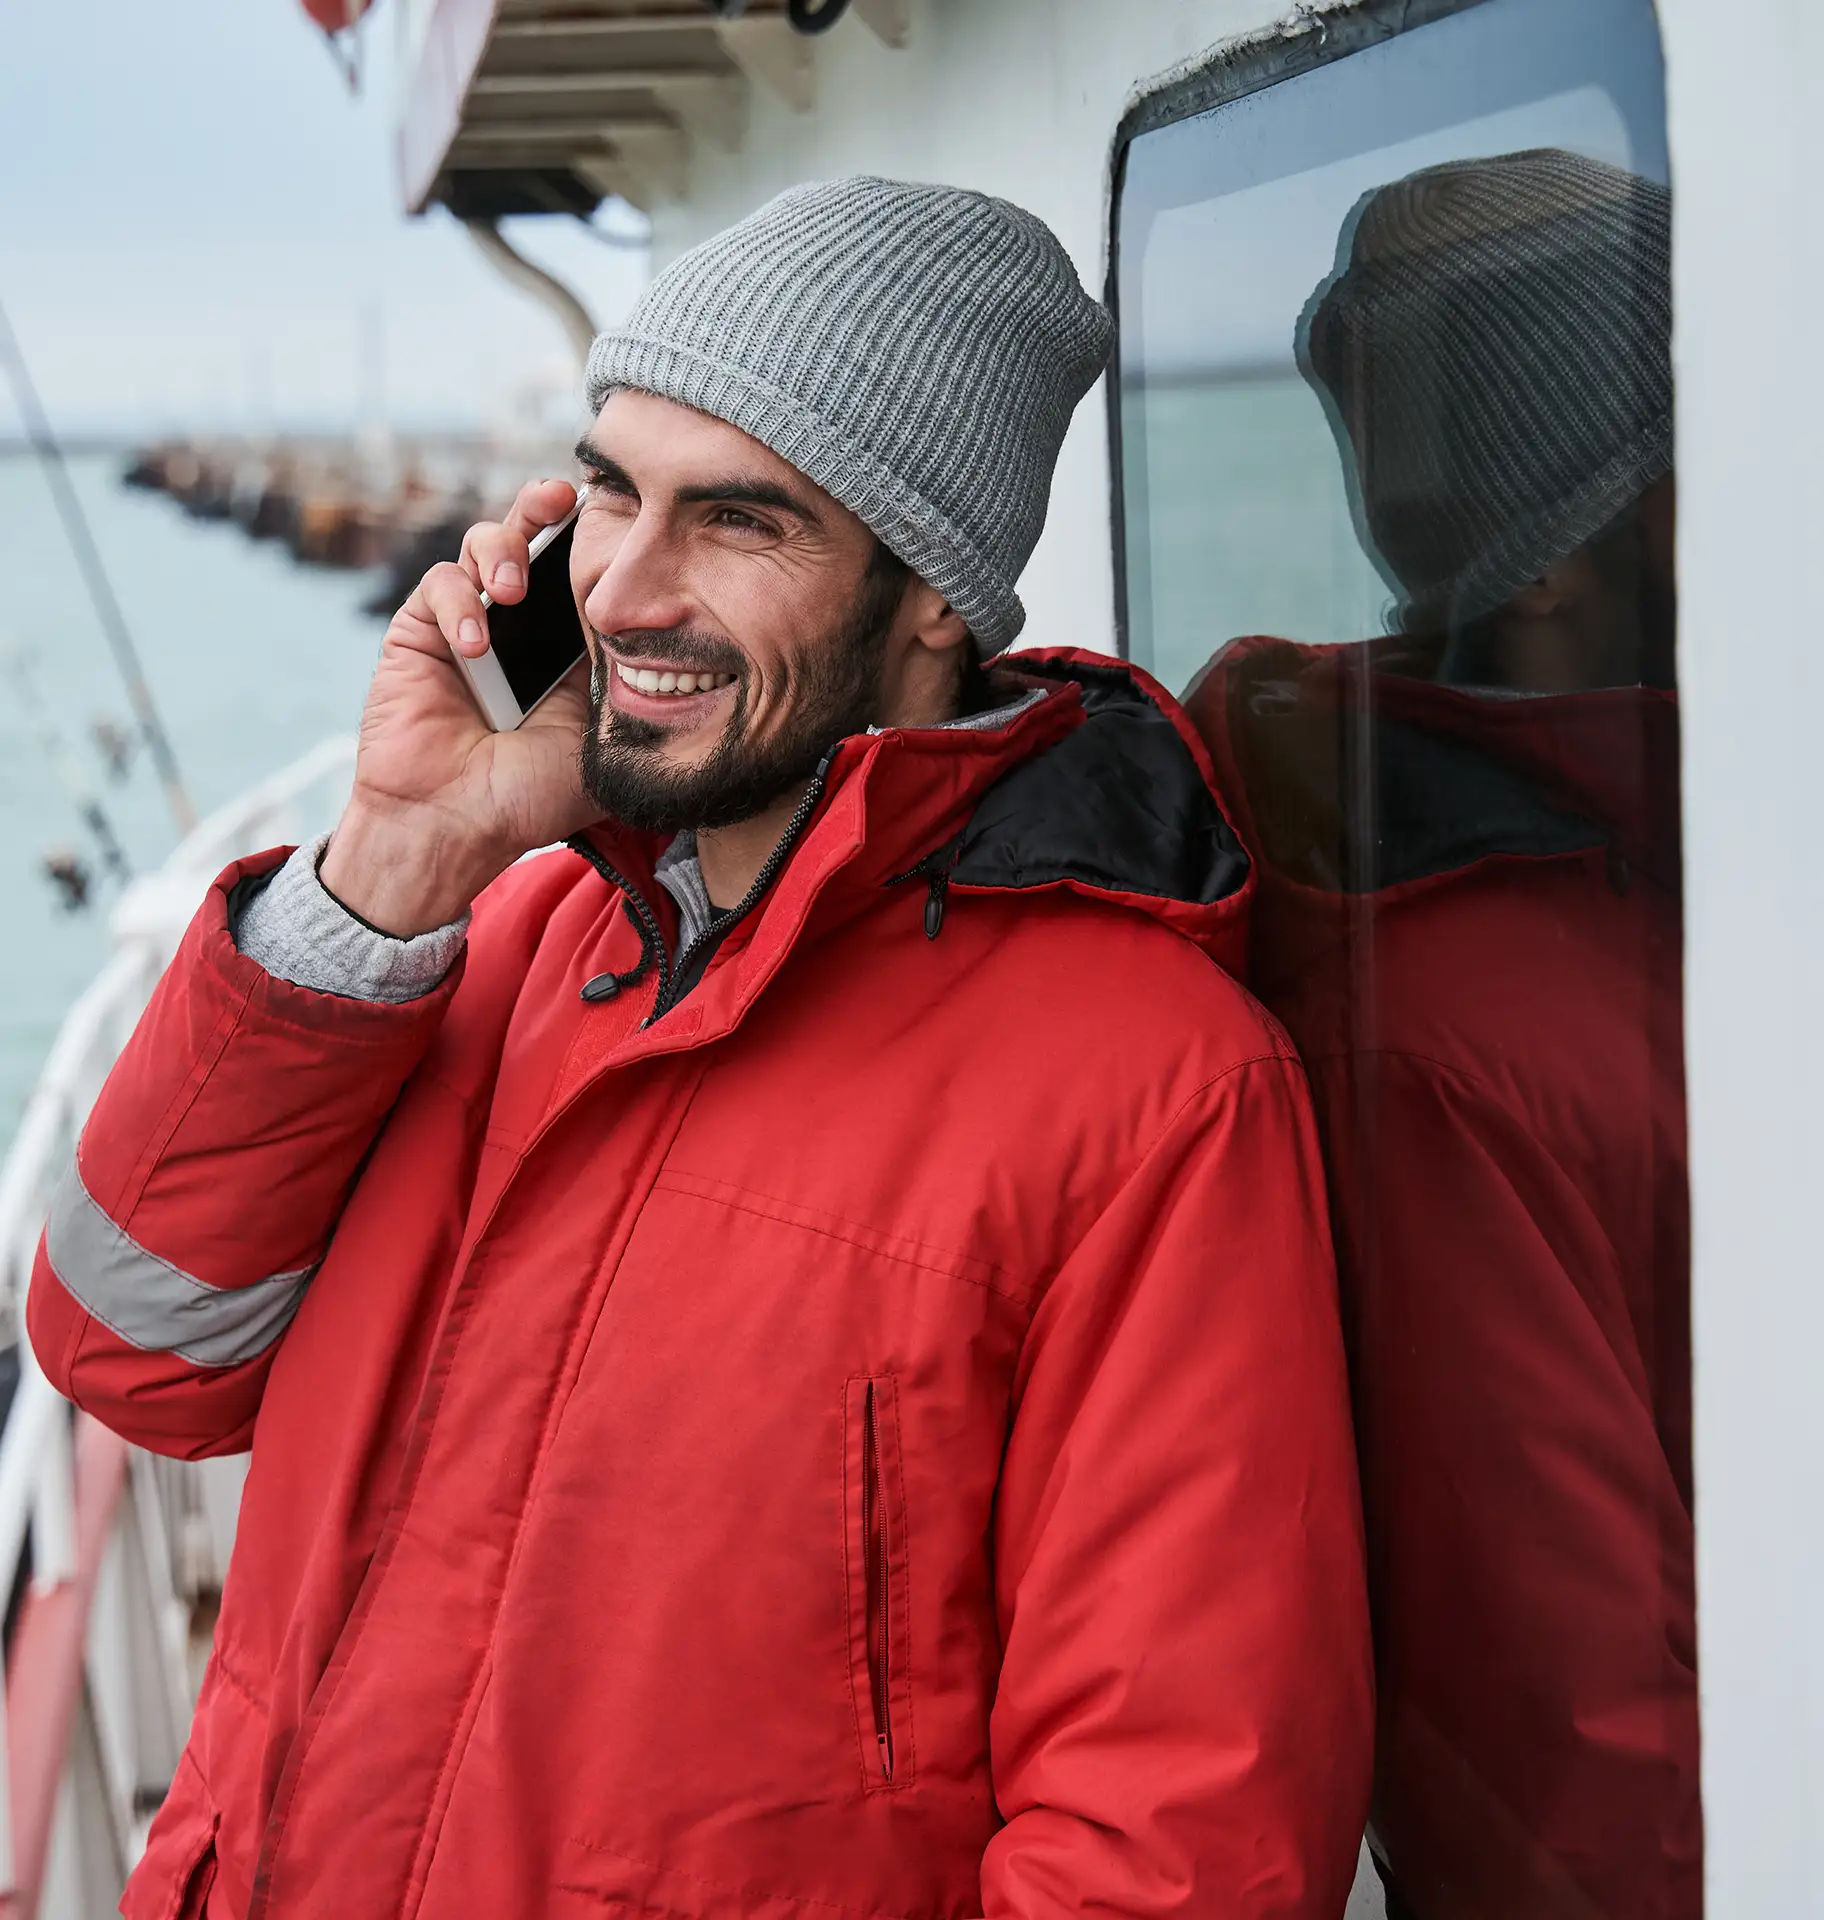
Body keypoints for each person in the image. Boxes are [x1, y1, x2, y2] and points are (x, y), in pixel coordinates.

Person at [31, 177, 1372, 1919]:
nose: (627, 591)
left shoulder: (1158, 1090)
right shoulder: (493, 939)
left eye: (740, 522)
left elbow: (1178, 1838)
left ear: (934, 600)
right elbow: (132, 1348)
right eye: (609, 489)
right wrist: (393, 863)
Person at [1186, 150, 1698, 1918]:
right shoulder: (1435, 1027)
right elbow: (1564, 1735)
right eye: (1695, 456)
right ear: (1556, 556)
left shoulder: (1697, 832)